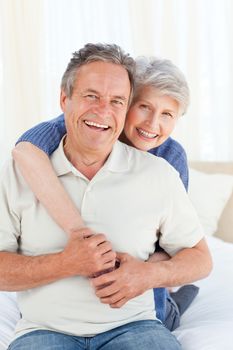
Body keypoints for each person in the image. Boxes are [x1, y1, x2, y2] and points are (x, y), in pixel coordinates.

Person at [0, 43, 212, 350]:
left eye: (116, 101)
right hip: (46, 329)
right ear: (65, 99)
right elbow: (26, 147)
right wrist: (69, 260)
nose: (152, 125)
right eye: (144, 107)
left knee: (160, 314)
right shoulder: (33, 159)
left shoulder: (164, 166)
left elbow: (187, 249)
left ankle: (172, 307)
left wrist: (144, 274)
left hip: (134, 323)